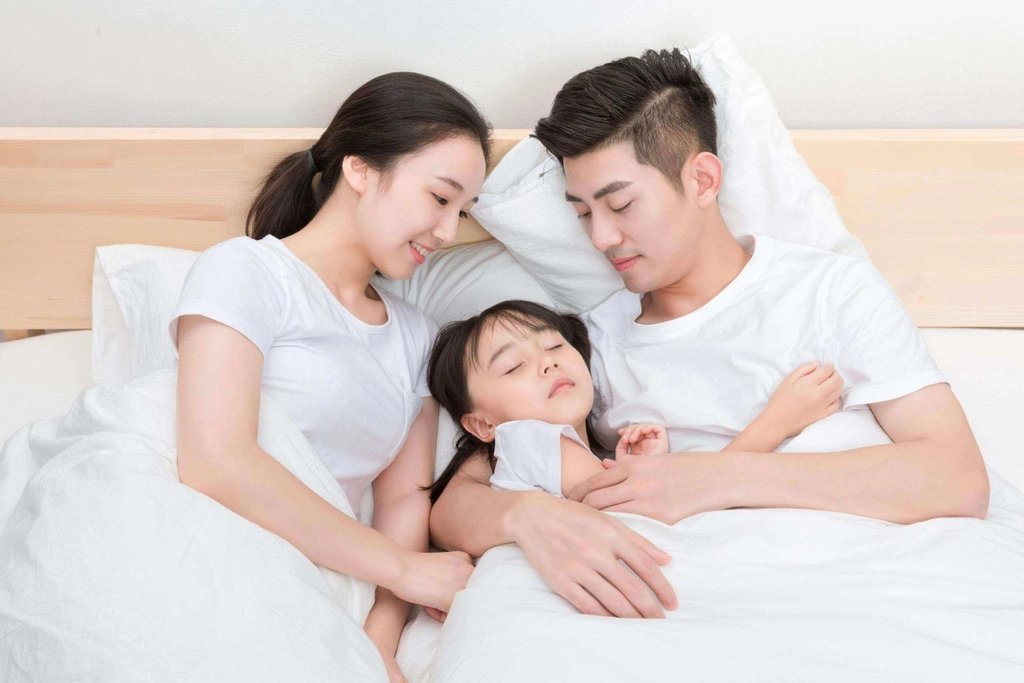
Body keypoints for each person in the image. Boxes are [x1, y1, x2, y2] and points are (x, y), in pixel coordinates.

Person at [429, 48, 990, 622]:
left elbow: (958, 478)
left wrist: (715, 477)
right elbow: (457, 505)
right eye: (583, 214)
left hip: (862, 587)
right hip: (685, 599)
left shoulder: (829, 289)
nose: (601, 238)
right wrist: (527, 517)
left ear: (702, 179)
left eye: (620, 205)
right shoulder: (583, 347)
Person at [171, 72, 489, 680]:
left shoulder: (416, 336)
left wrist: (378, 643)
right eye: (440, 198)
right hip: (205, 543)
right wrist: (404, 570)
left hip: (325, 577)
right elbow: (215, 461)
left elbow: (403, 500)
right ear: (360, 170)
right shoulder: (248, 271)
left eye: (464, 211)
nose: (449, 232)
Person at [427, 299, 843, 505]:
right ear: (482, 425)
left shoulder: (567, 456)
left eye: (554, 345)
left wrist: (638, 471)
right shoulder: (527, 439)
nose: (548, 363)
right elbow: (654, 507)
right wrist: (775, 424)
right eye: (514, 366)